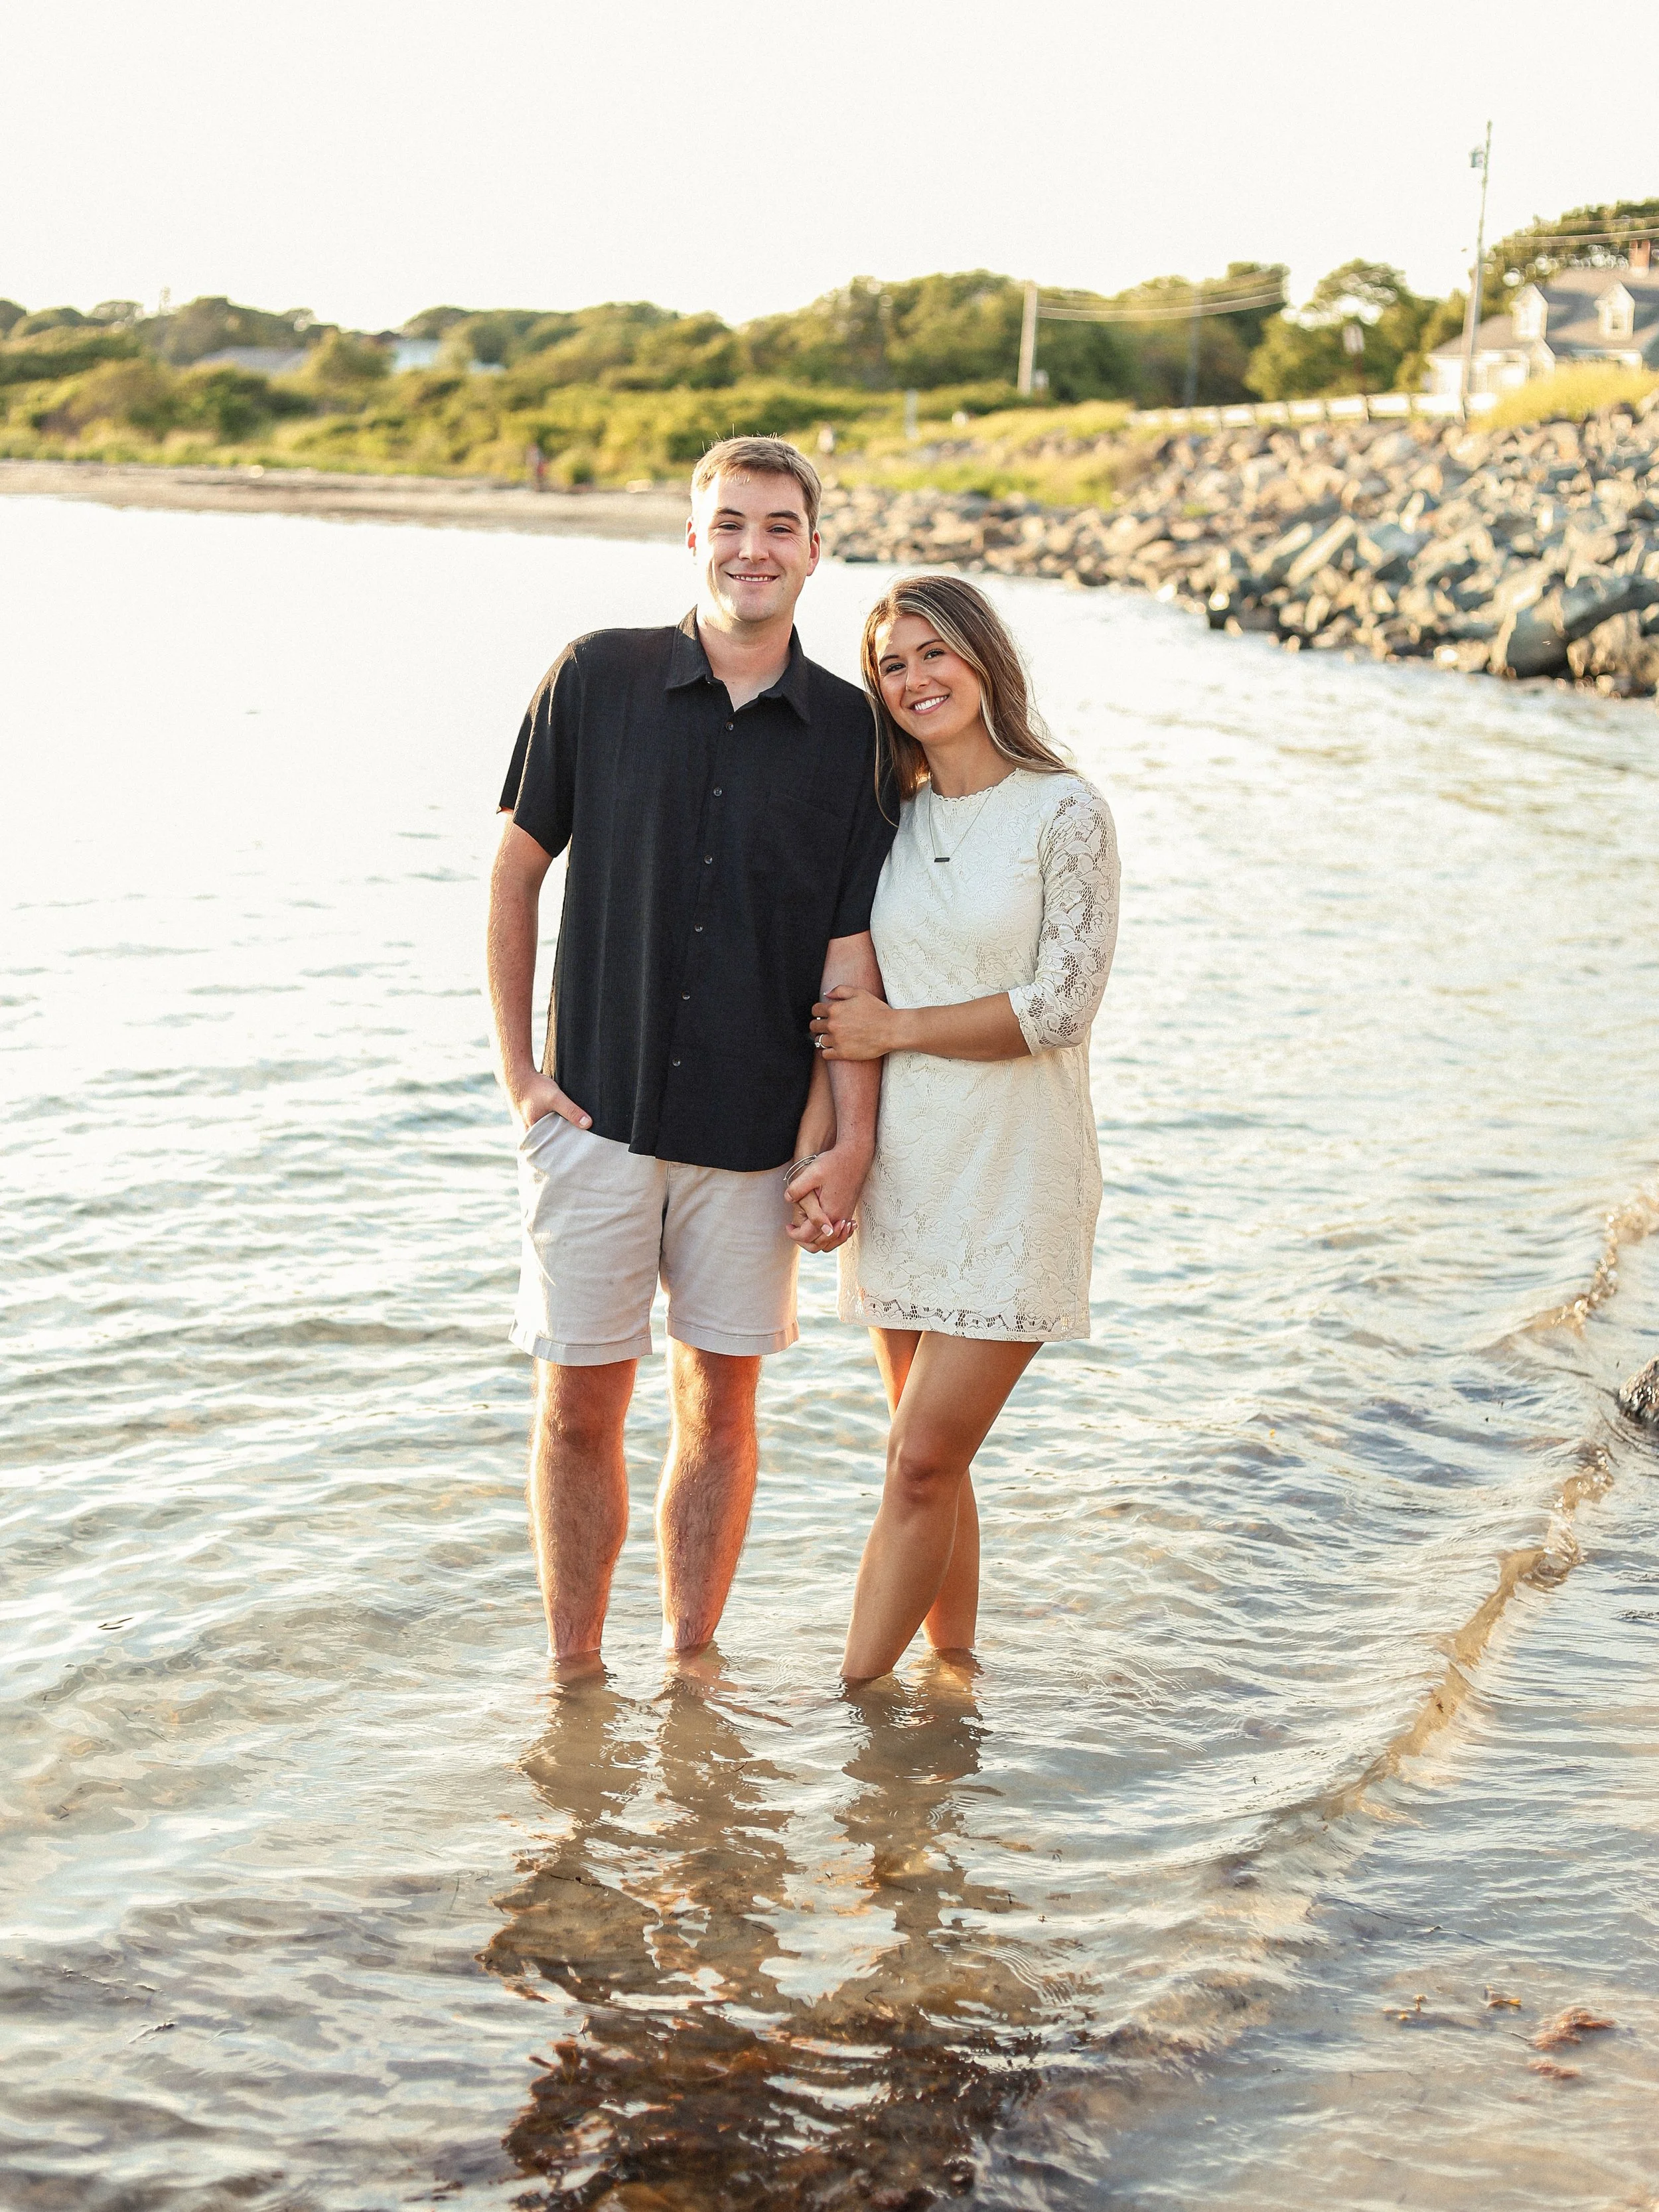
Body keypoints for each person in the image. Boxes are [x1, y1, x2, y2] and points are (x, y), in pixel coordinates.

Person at [485, 436, 893, 1668]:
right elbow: (513, 874)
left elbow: (848, 961)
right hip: (593, 1118)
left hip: (753, 1140)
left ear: (816, 553)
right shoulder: (594, 678)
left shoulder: (855, 736)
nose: (752, 549)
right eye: (729, 524)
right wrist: (520, 1076)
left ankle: (690, 1669)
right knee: (577, 1407)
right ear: (693, 539)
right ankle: (574, 1677)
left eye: (778, 527)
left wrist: (836, 1139)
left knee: (721, 1412)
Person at [797, 575, 1119, 1683]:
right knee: (931, 1462)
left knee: (919, 1460)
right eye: (891, 664)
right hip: (907, 1172)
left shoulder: (1063, 810)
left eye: (935, 653)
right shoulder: (889, 817)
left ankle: (853, 1710)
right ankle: (953, 1682)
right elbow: (842, 1010)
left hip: (1019, 1170)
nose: (915, 679)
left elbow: (1059, 1007)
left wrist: (895, 1030)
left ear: (983, 659)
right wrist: (831, 1149)